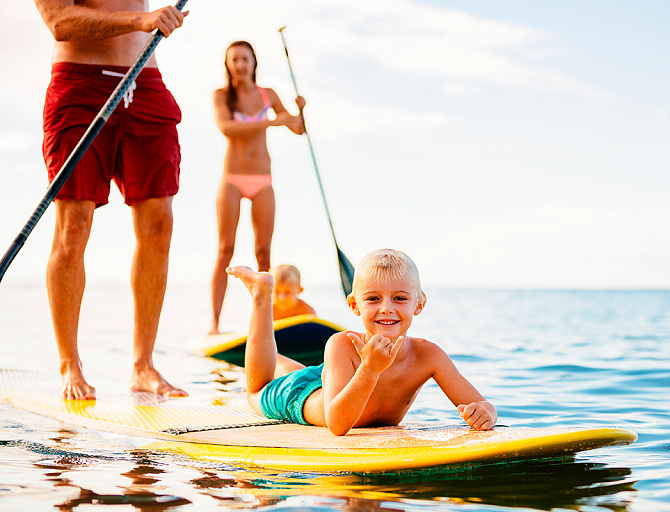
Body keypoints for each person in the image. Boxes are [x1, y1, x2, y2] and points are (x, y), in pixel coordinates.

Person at [34, 0, 189, 400]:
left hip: (145, 79)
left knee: (160, 223)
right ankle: (70, 363)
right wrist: (140, 20)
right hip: (80, 84)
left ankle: (144, 365)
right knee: (73, 225)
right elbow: (59, 20)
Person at [227, 249, 497, 436]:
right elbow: (337, 425)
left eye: (400, 298)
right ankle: (262, 294)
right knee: (256, 390)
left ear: (419, 303)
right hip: (300, 398)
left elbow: (482, 403)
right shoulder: (342, 345)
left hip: (331, 380)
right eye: (373, 299)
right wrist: (369, 369)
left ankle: (284, 361)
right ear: (355, 305)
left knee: (301, 371)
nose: (386, 309)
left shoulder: (429, 355)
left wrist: (486, 414)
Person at [209, 40, 306, 335]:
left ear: (254, 62)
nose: (240, 64)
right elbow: (227, 128)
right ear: (228, 65)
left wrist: (301, 111)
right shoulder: (222, 96)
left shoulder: (269, 95)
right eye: (234, 59)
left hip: (263, 179)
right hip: (233, 179)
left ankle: (265, 324)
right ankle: (215, 325)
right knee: (225, 249)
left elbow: (297, 128)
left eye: (244, 59)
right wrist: (272, 123)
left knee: (264, 254)